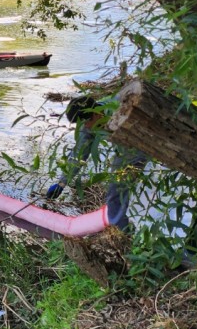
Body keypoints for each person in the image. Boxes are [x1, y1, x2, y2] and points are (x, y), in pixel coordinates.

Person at [45, 95, 145, 232]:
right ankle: (125, 227)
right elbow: (79, 154)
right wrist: (62, 182)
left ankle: (123, 231)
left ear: (96, 112)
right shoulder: (87, 126)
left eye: (86, 121)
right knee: (118, 188)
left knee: (117, 189)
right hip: (124, 147)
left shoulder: (120, 108)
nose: (85, 126)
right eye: (80, 123)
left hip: (139, 142)